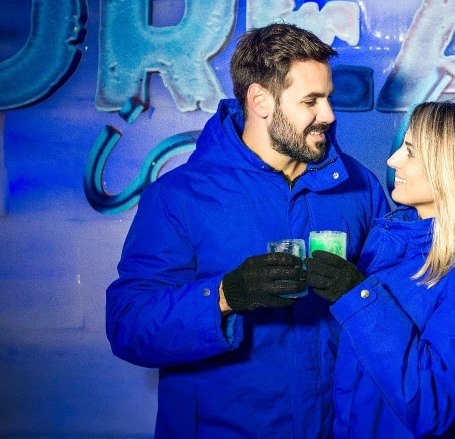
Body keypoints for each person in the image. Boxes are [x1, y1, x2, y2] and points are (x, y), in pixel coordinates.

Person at [106, 23, 389, 438]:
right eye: (311, 101)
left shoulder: (358, 186)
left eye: (328, 98)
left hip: (335, 428)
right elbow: (128, 326)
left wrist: (362, 290)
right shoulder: (179, 197)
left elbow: (396, 310)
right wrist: (224, 297)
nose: (328, 115)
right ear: (259, 100)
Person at [305, 101, 455, 438]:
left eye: (410, 151)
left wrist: (357, 297)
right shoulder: (398, 248)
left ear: (452, 169)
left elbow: (431, 405)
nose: (392, 161)